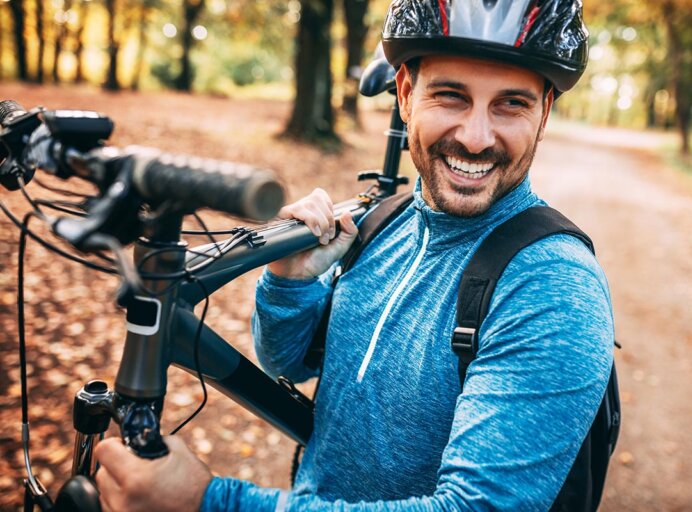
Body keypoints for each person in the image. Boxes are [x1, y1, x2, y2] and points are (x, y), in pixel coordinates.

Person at [94, 1, 615, 510]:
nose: (476, 138)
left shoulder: (552, 284)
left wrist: (207, 501)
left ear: (544, 111)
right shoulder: (387, 222)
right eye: (451, 96)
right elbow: (290, 363)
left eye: (511, 104)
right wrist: (289, 284)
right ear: (407, 94)